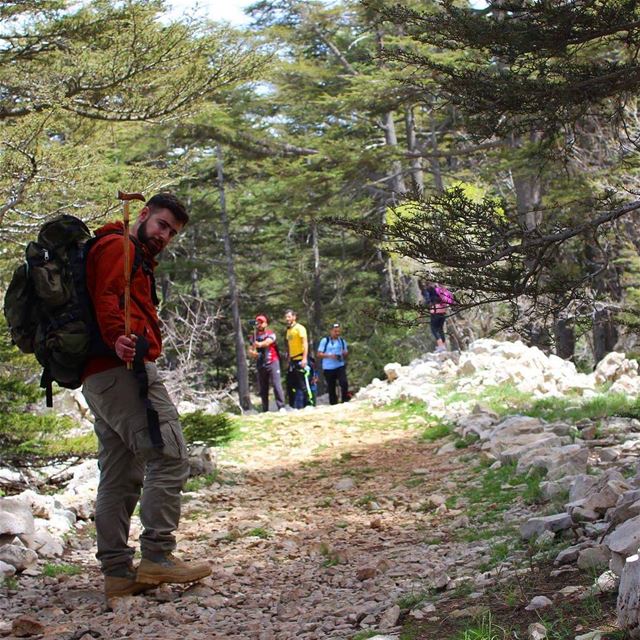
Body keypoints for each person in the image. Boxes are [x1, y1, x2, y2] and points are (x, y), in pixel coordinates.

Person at [81, 193, 211, 605]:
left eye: (172, 232)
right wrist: (116, 337)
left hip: (98, 376)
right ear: (143, 215)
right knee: (170, 455)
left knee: (119, 473)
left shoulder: (125, 249)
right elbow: (107, 296)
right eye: (161, 225)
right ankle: (158, 555)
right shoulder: (118, 246)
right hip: (122, 369)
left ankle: (118, 574)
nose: (165, 235)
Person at [248, 314, 286, 412]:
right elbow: (250, 350)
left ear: (266, 323)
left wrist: (259, 344)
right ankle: (265, 409)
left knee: (276, 385)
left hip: (272, 361)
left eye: (262, 322)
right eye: (258, 323)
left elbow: (268, 342)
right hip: (261, 363)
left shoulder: (270, 333)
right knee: (263, 388)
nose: (260, 324)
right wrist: (253, 353)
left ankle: (281, 407)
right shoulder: (253, 336)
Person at [317, 322, 350, 405]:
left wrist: (344, 353)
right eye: (335, 331)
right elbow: (319, 354)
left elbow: (346, 352)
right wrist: (330, 356)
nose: (337, 333)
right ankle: (333, 403)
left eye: (338, 331)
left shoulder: (342, 341)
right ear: (331, 331)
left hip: (339, 365)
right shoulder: (325, 341)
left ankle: (344, 400)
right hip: (328, 368)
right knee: (331, 387)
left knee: (344, 383)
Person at [284, 309, 308, 409]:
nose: (287, 319)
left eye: (289, 317)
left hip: (300, 358)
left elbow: (305, 343)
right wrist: (288, 358)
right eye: (286, 317)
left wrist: (304, 358)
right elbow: (289, 345)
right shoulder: (289, 330)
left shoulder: (300, 328)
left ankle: (304, 405)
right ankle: (293, 405)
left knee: (301, 383)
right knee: (290, 383)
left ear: (294, 317)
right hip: (292, 360)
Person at [421, 281, 448, 352]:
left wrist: (425, 305)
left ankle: (441, 346)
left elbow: (427, 301)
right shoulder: (440, 288)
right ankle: (443, 346)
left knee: (434, 328)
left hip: (435, 310)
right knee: (440, 329)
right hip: (443, 310)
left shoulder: (428, 290)